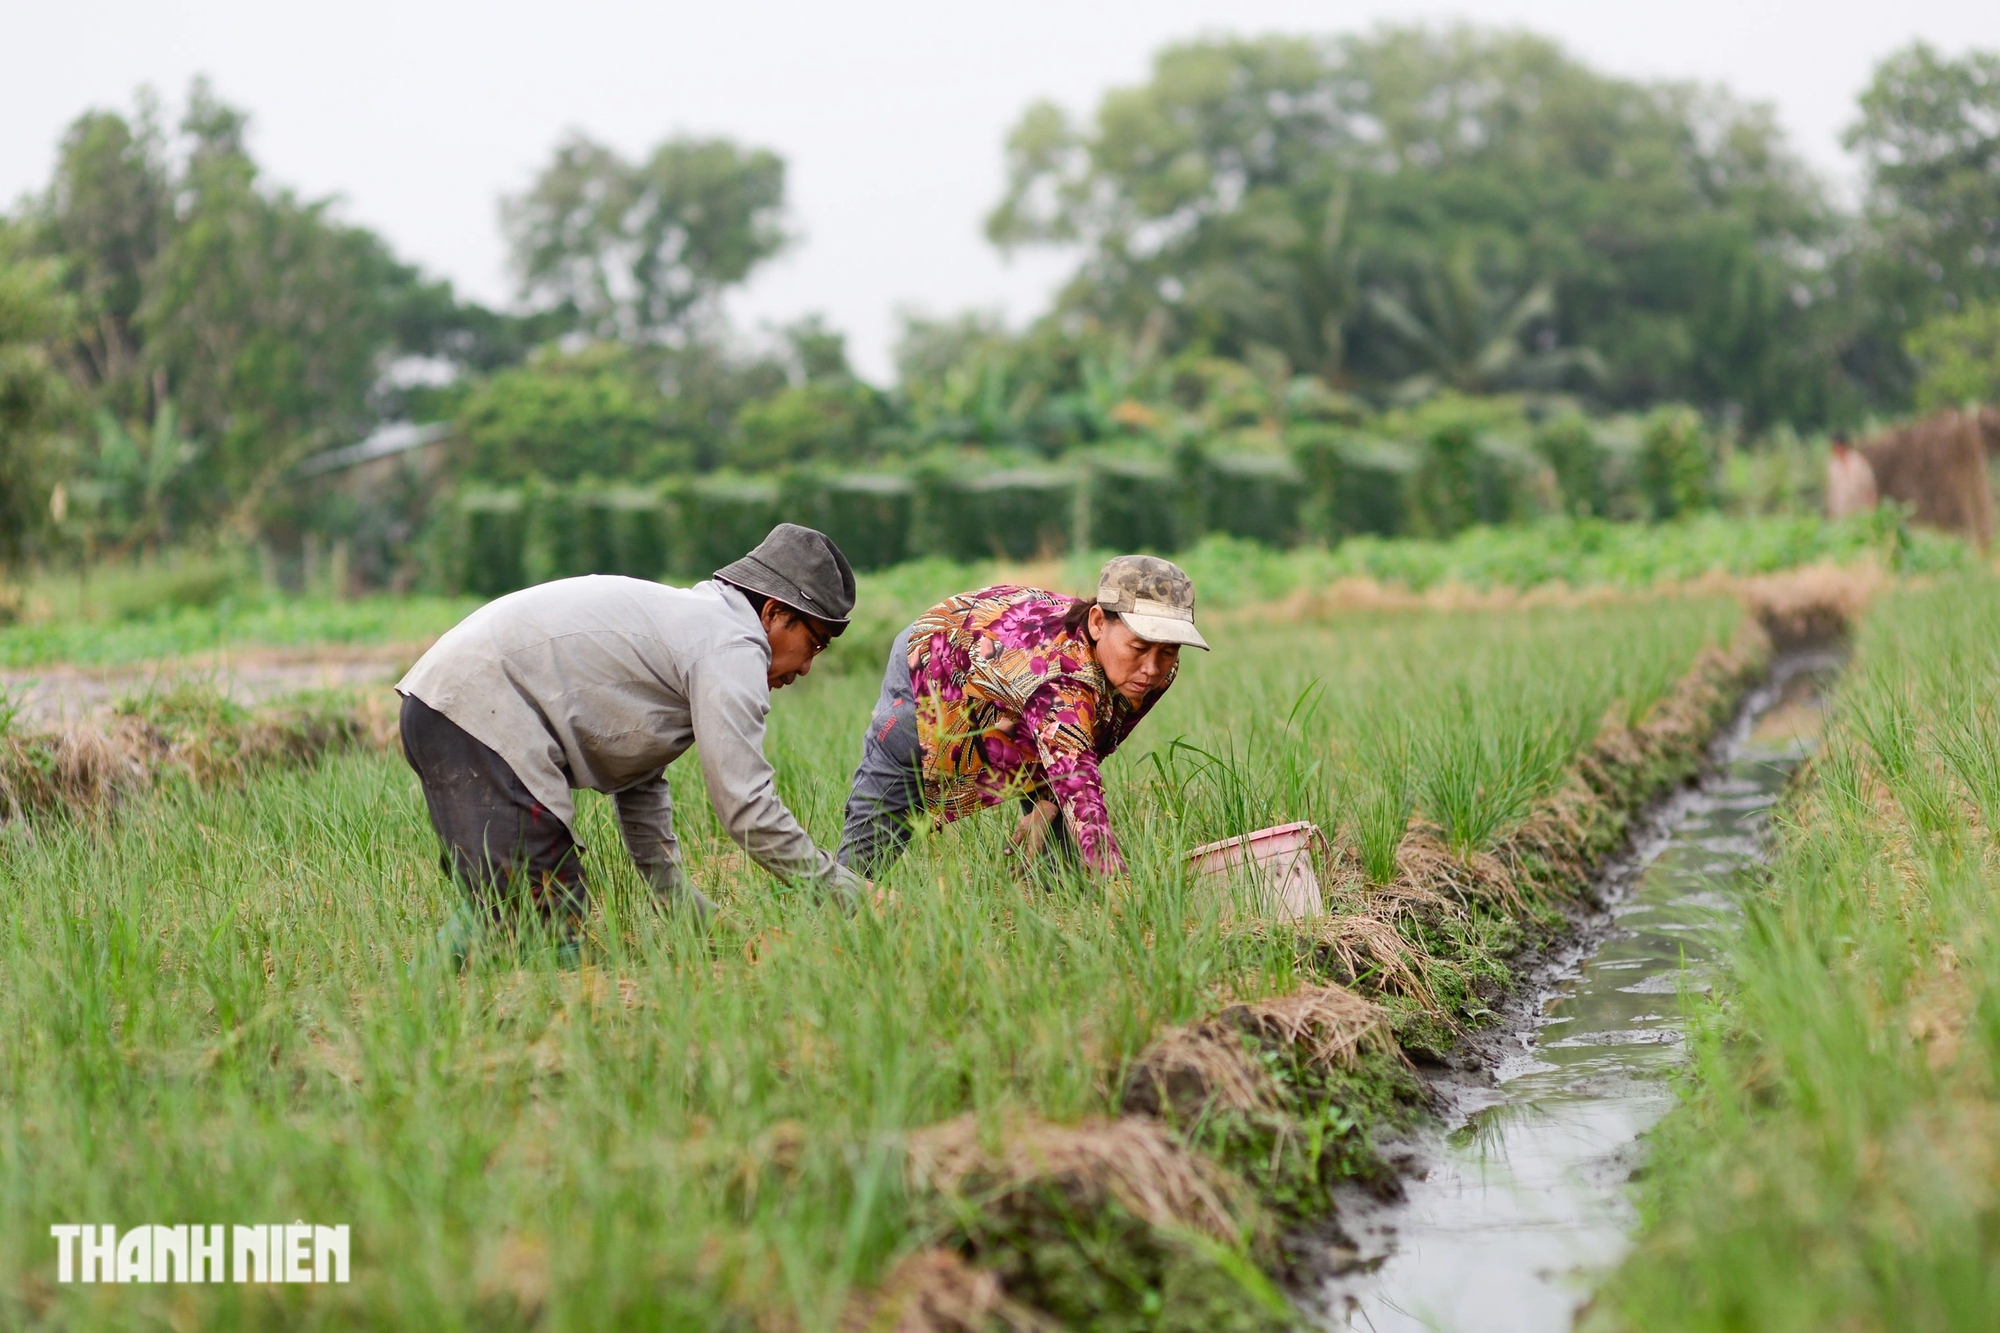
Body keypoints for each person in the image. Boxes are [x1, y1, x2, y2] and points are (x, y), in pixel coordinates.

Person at [397, 523, 864, 961]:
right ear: (774, 613)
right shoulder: (731, 647)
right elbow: (746, 811)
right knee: (542, 921)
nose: (806, 667)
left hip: (445, 707)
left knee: (511, 903)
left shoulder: (693, 631)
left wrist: (698, 920)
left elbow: (638, 781)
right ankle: (430, 1012)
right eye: (815, 643)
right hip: (477, 710)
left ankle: (417, 1004)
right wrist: (851, 895)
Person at [837, 555, 1207, 878]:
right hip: (936, 661)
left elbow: (1095, 736)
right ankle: (834, 897)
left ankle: (1054, 909)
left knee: (1060, 843)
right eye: (1139, 646)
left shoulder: (1150, 671)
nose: (1152, 668)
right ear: (1097, 622)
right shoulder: (1059, 678)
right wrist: (1116, 882)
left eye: (1168, 651)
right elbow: (1078, 780)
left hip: (1011, 679)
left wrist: (1046, 803)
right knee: (891, 798)